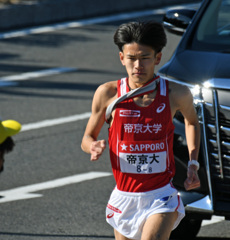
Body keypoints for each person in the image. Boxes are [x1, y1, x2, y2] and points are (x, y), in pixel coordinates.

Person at [81, 21, 200, 240]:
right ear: (121, 58)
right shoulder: (108, 93)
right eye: (132, 58)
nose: (138, 65)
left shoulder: (175, 93)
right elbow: (87, 138)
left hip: (161, 194)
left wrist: (193, 163)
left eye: (145, 58)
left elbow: (192, 122)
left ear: (157, 58)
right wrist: (93, 146)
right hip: (124, 196)